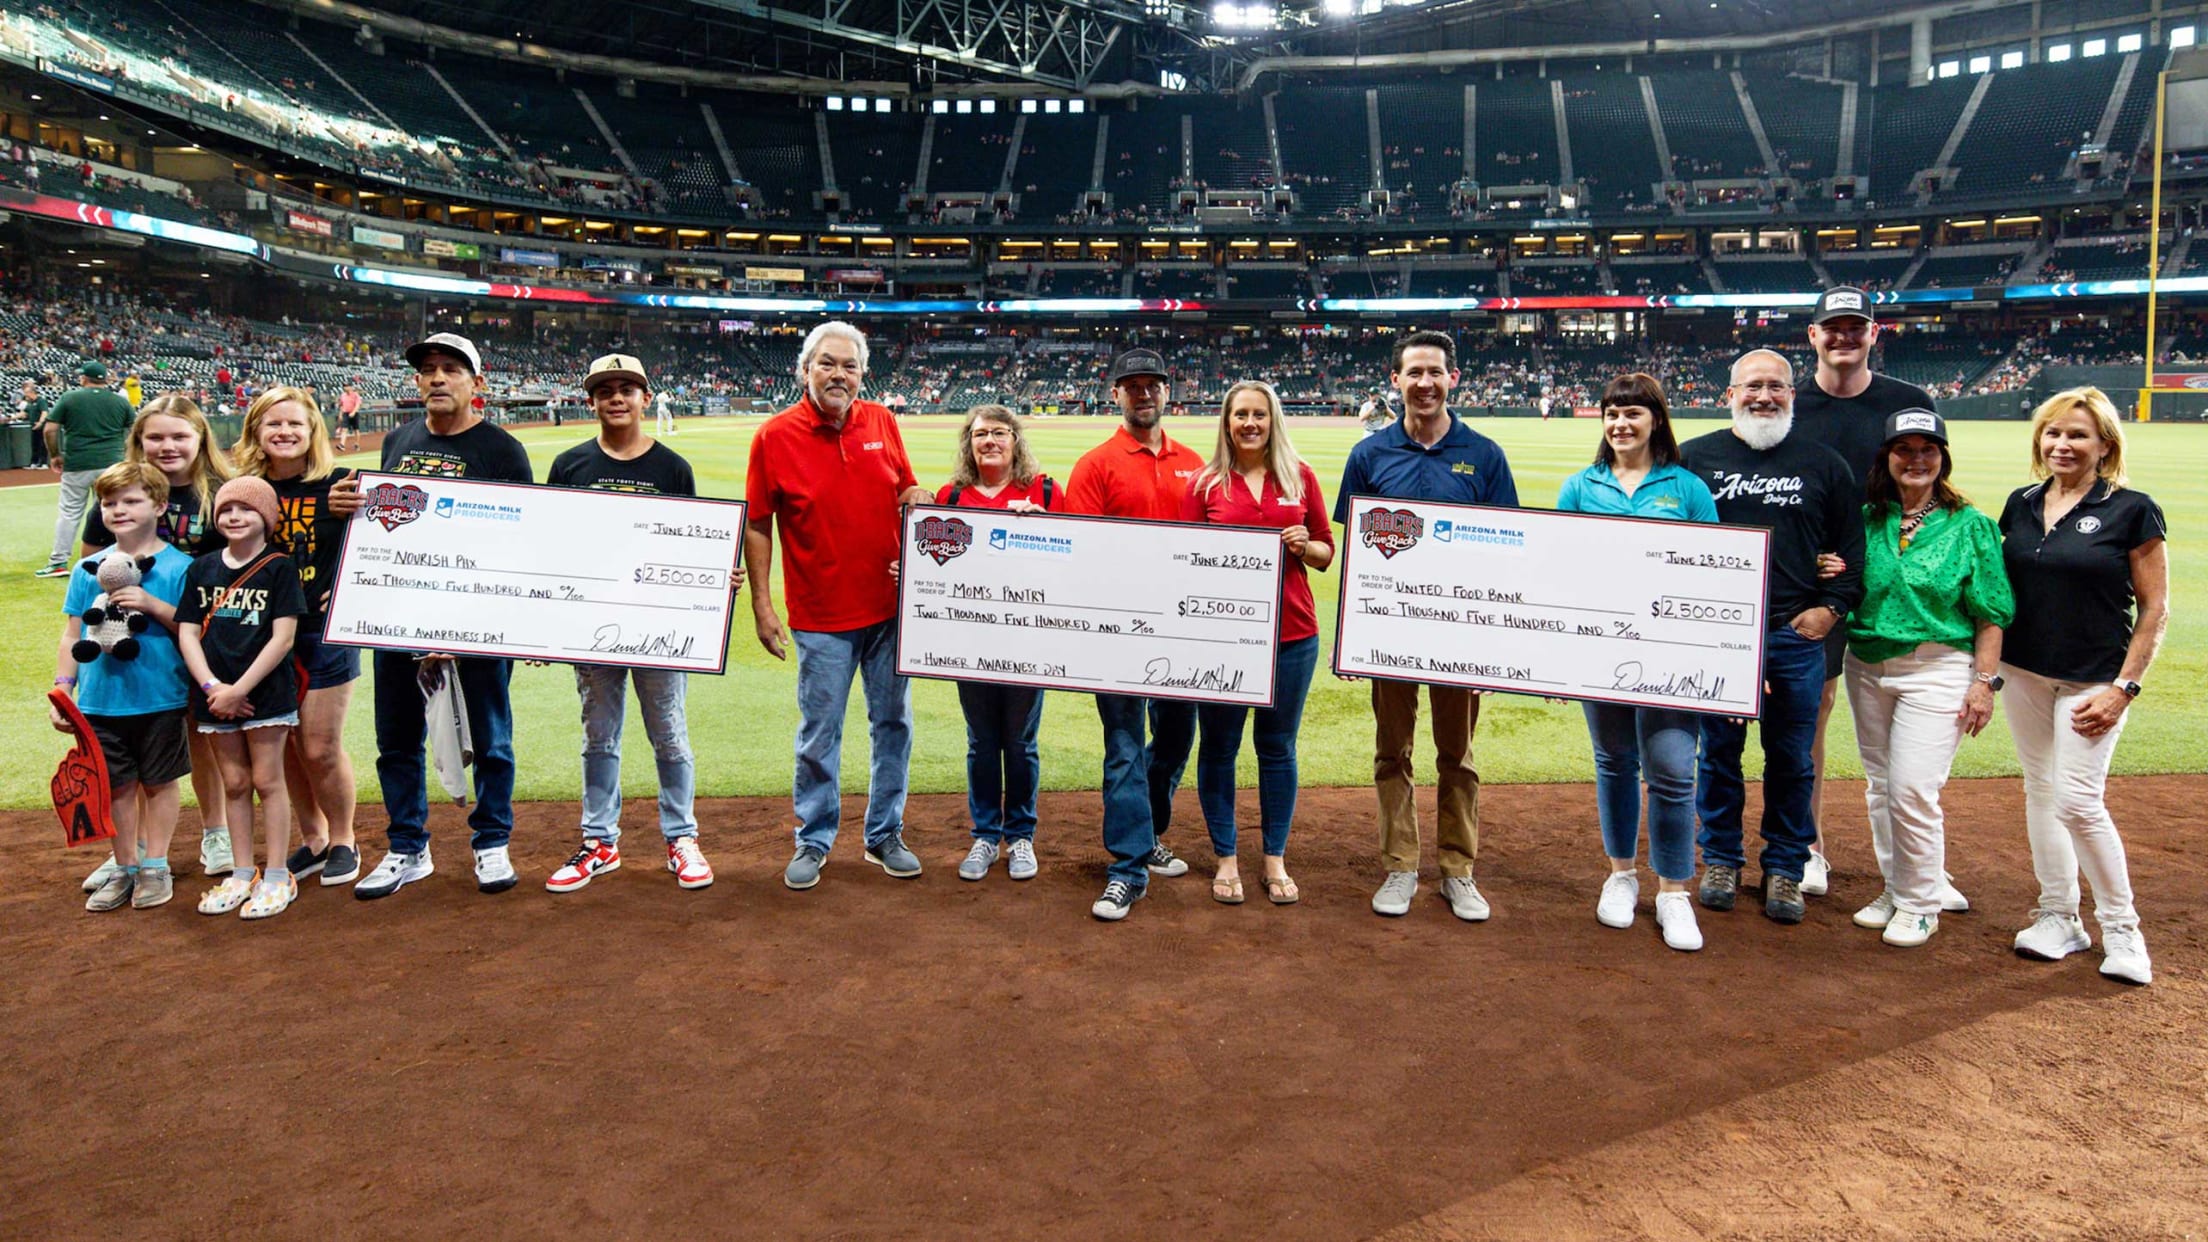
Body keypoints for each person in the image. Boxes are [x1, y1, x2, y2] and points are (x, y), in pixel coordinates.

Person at [1334, 329, 1518, 922]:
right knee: (1392, 751)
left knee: (1457, 755)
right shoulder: (1370, 455)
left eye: (1435, 372)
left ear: (1453, 378)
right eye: (1413, 372)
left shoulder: (1484, 455)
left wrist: (1493, 645)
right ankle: (1401, 866)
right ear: (1396, 380)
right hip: (1391, 634)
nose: (1425, 383)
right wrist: (1355, 639)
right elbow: (1359, 556)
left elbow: (1507, 551)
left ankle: (1458, 870)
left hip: (1460, 635)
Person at [745, 322, 932, 891]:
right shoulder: (774, 436)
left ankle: (884, 833)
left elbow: (904, 489)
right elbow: (758, 523)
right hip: (821, 616)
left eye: (850, 366)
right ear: (805, 370)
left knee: (893, 724)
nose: (838, 375)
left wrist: (923, 498)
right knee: (819, 733)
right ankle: (814, 836)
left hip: (888, 609)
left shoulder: (882, 421)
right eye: (827, 363)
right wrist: (761, 605)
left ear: (862, 375)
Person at [1679, 349, 1864, 924]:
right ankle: (1721, 859)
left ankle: (1785, 865)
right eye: (1753, 386)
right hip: (1720, 637)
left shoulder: (1824, 464)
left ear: (1792, 394)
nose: (1764, 396)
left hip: (1793, 634)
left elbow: (1853, 553)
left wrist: (1829, 610)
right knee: (1718, 755)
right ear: (1730, 394)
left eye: (1776, 387)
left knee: (1791, 759)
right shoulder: (1694, 458)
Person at [350, 333, 534, 901]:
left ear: (476, 383)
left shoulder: (503, 451)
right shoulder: (398, 440)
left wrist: (468, 622)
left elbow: (521, 544)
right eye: (428, 368)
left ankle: (491, 841)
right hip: (399, 617)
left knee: (491, 738)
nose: (436, 377)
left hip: (476, 623)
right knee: (396, 738)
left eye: (451, 369)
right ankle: (408, 846)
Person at [1998, 388, 2169, 985]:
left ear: (2104, 445)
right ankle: (2058, 915)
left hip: (2093, 678)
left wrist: (2125, 687)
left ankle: (2122, 929)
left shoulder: (2132, 509)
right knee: (2041, 792)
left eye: (2077, 435)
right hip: (2024, 672)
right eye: (2053, 433)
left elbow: (2155, 608)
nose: (2062, 444)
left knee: (2076, 800)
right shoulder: (2021, 503)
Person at [545, 354, 729, 894]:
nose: (616, 398)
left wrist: (715, 575)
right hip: (593, 625)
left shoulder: (672, 468)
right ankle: (599, 841)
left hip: (658, 629)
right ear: (592, 401)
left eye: (627, 389)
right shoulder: (570, 465)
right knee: (598, 736)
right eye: (606, 390)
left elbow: (692, 543)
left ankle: (681, 837)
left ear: (646, 398)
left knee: (669, 734)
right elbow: (550, 548)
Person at [1555, 374, 1719, 952]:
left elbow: (1717, 568)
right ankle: (1621, 875)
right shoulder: (1580, 486)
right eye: (1612, 414)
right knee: (1615, 762)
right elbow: (1557, 572)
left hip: (1671, 652)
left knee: (1672, 768)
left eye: (1633, 413)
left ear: (1656, 421)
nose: (1621, 424)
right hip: (1600, 648)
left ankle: (1674, 891)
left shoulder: (1687, 488)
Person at [1841, 409, 2014, 948]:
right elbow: (1843, 577)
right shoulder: (1867, 519)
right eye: (1904, 449)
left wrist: (1983, 683)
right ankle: (1897, 887)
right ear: (1887, 457)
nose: (1916, 459)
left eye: (1927, 450)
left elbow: (1991, 610)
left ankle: (1921, 903)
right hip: (1867, 664)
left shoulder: (1970, 524)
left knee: (1913, 789)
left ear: (1943, 458)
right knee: (1881, 785)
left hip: (1938, 666)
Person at [1791, 286, 1938, 901]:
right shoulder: (1791, 403)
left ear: (1874, 334)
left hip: (1892, 580)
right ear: (1813, 335)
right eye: (1833, 327)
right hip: (1817, 581)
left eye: (1856, 327)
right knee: (1814, 708)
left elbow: (1930, 487)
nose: (1844, 337)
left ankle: (1919, 864)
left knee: (1910, 714)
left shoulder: (1908, 402)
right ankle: (1807, 848)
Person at [1065, 347, 1207, 920]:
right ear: (1116, 394)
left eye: (1153, 384)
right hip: (1119, 633)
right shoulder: (1096, 465)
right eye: (1132, 385)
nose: (1143, 393)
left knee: (1174, 740)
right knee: (1123, 745)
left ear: (1168, 392)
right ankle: (1127, 868)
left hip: (1182, 633)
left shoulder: (1194, 463)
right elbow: (1080, 551)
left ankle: (1146, 834)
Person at [1180, 381, 1332, 906]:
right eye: (1240, 414)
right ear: (1226, 422)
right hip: (1223, 639)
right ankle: (1225, 856)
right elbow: (1184, 559)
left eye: (1259, 415)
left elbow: (1326, 551)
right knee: (1219, 747)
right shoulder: (1204, 483)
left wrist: (1305, 545)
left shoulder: (1300, 475)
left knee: (1277, 747)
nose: (1250, 423)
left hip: (1292, 634)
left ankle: (1274, 857)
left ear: (1273, 420)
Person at [76, 396, 235, 891]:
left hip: (207, 629)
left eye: (179, 436)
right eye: (156, 436)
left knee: (202, 735)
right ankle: (134, 850)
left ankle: (216, 832)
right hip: (137, 644)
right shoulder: (120, 494)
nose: (168, 446)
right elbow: (92, 568)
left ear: (200, 438)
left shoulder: (218, 492)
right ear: (139, 440)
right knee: (140, 745)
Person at [231, 387, 363, 889]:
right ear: (255, 432)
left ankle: (345, 838)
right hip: (262, 636)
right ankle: (315, 838)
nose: (284, 432)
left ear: (313, 432)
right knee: (283, 742)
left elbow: (381, 547)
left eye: (294, 424)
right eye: (273, 423)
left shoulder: (340, 484)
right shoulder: (243, 490)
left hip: (322, 633)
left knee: (319, 746)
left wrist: (349, 590)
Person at [53, 463, 194, 912]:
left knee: (159, 782)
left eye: (131, 501)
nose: (118, 510)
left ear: (159, 505)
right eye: (109, 503)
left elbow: (195, 632)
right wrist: (63, 689)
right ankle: (125, 865)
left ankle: (156, 864)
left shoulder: (180, 567)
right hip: (100, 701)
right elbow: (72, 634)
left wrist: (152, 604)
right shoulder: (87, 569)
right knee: (116, 787)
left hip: (161, 696)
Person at [176, 476, 308, 920]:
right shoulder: (202, 568)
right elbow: (188, 633)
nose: (234, 517)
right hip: (214, 695)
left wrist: (239, 690)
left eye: (246, 509)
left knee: (268, 781)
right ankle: (242, 871)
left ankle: (278, 874)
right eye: (227, 509)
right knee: (233, 783)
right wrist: (213, 688)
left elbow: (283, 638)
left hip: (264, 693)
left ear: (266, 518)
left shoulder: (279, 567)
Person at [936, 405, 1056, 883]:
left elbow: (1072, 560)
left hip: (1028, 639)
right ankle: (986, 834)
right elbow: (934, 563)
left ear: (1015, 440)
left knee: (1020, 742)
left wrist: (1044, 527)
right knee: (982, 741)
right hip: (971, 640)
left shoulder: (1044, 490)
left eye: (999, 433)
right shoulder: (951, 496)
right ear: (969, 443)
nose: (990, 441)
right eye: (980, 434)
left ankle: (1020, 835)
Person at [37, 362, 136, 578]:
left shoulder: (70, 398)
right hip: (112, 463)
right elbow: (135, 431)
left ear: (83, 378)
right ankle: (119, 555)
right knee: (114, 509)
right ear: (105, 379)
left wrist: (55, 455)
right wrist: (126, 454)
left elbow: (50, 429)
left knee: (70, 512)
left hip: (78, 463)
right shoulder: (120, 401)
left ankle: (58, 561)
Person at [17, 379, 51, 468]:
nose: (25, 395)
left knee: (43, 444)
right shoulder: (30, 403)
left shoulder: (41, 401)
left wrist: (40, 422)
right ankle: (34, 463)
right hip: (34, 427)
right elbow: (24, 413)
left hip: (42, 427)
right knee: (35, 445)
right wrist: (10, 418)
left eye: (26, 393)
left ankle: (43, 463)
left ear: (32, 392)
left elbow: (44, 412)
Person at [337, 384, 363, 452]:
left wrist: (353, 412)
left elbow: (358, 405)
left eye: (347, 386)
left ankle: (357, 444)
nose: (345, 388)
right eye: (344, 386)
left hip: (354, 413)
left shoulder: (356, 395)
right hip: (346, 413)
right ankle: (342, 445)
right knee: (344, 429)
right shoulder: (343, 395)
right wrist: (340, 414)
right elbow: (341, 405)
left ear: (350, 387)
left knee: (356, 430)